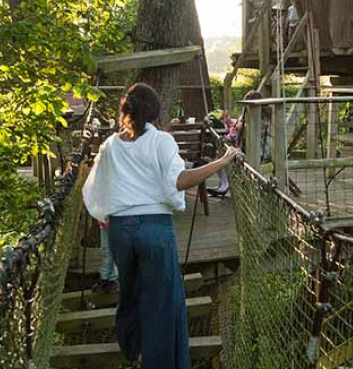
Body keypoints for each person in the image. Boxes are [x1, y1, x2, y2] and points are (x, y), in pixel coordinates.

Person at [82, 83, 238, 368]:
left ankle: (135, 350)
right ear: (155, 110)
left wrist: (105, 216)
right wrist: (221, 161)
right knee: (162, 301)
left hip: (120, 231)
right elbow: (177, 182)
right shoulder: (162, 141)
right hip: (153, 229)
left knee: (129, 291)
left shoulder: (110, 145)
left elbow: (93, 188)